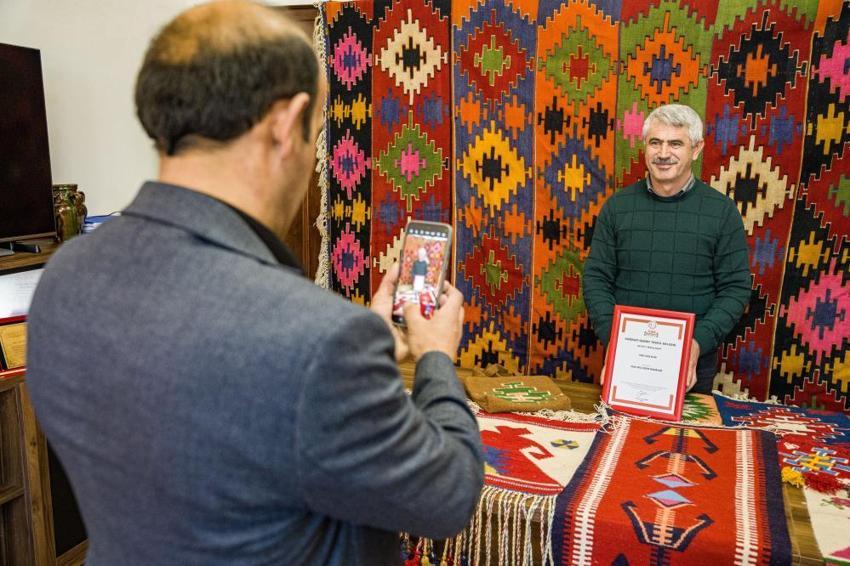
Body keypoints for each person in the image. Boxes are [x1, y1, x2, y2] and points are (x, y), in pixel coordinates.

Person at [25, 2, 483, 565]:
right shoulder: (313, 339)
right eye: (317, 133)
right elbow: (447, 498)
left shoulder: (63, 278)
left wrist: (357, 344)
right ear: (286, 124)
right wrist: (436, 355)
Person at [583, 104, 751, 394]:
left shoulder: (722, 212)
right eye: (655, 142)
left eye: (676, 143)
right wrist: (614, 338)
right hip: (626, 360)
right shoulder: (617, 208)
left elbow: (736, 288)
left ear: (696, 149)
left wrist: (698, 341)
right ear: (645, 147)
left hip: (693, 364)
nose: (663, 154)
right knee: (616, 439)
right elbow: (596, 278)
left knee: (687, 441)